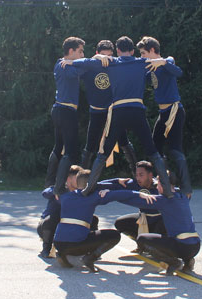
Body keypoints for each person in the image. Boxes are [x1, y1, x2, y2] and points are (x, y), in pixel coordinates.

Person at [62, 36, 172, 198]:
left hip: (119, 111)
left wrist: (70, 62)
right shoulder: (141, 62)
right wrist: (166, 60)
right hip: (137, 110)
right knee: (153, 152)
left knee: (103, 152)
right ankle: (168, 191)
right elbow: (167, 61)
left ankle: (86, 189)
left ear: (117, 51)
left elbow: (84, 62)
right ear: (133, 51)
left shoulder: (113, 62)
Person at [101, 171, 200, 275]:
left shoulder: (164, 200)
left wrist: (111, 195)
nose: (157, 188)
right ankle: (188, 261)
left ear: (163, 185)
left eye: (158, 185)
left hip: (182, 246)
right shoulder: (183, 196)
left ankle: (174, 262)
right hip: (196, 246)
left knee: (143, 239)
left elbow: (134, 200)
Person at [136, 36, 192, 197]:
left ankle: (187, 188)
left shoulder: (167, 63)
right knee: (155, 148)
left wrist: (165, 61)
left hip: (174, 111)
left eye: (143, 53)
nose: (142, 56)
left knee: (175, 150)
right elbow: (141, 78)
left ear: (153, 50)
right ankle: (164, 180)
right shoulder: (150, 69)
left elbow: (178, 72)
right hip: (163, 113)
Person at [53, 169, 137, 272]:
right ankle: (90, 258)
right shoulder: (93, 197)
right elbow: (120, 194)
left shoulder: (64, 196)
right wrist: (139, 194)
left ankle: (62, 254)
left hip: (58, 243)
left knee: (91, 221)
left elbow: (48, 192)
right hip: (75, 245)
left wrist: (116, 180)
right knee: (114, 235)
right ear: (92, 185)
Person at [79, 40, 137, 176]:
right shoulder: (90, 66)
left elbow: (132, 62)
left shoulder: (116, 64)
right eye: (103, 55)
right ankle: (80, 180)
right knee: (90, 146)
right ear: (97, 53)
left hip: (114, 112)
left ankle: (138, 175)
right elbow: (77, 65)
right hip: (96, 112)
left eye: (110, 56)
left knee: (124, 142)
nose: (107, 59)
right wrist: (96, 58)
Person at [44, 37, 86, 196]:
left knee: (58, 147)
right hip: (65, 112)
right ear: (71, 51)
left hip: (60, 111)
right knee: (70, 151)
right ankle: (58, 188)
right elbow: (84, 70)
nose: (83, 55)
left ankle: (50, 183)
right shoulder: (63, 65)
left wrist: (76, 62)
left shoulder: (62, 64)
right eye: (80, 51)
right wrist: (86, 62)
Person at [38, 165, 98, 258]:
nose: (80, 180)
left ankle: (91, 248)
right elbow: (45, 192)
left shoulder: (81, 192)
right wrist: (56, 192)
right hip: (47, 226)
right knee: (54, 216)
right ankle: (46, 249)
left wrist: (118, 181)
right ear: (68, 179)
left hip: (67, 227)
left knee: (93, 219)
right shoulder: (60, 189)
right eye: (77, 178)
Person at [108, 161, 167, 251]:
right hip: (143, 219)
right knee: (120, 223)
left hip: (159, 221)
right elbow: (111, 186)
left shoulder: (159, 186)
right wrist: (113, 184)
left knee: (164, 227)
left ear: (150, 175)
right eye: (137, 175)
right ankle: (142, 244)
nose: (138, 178)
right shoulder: (134, 183)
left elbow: (175, 191)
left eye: (141, 175)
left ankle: (158, 247)